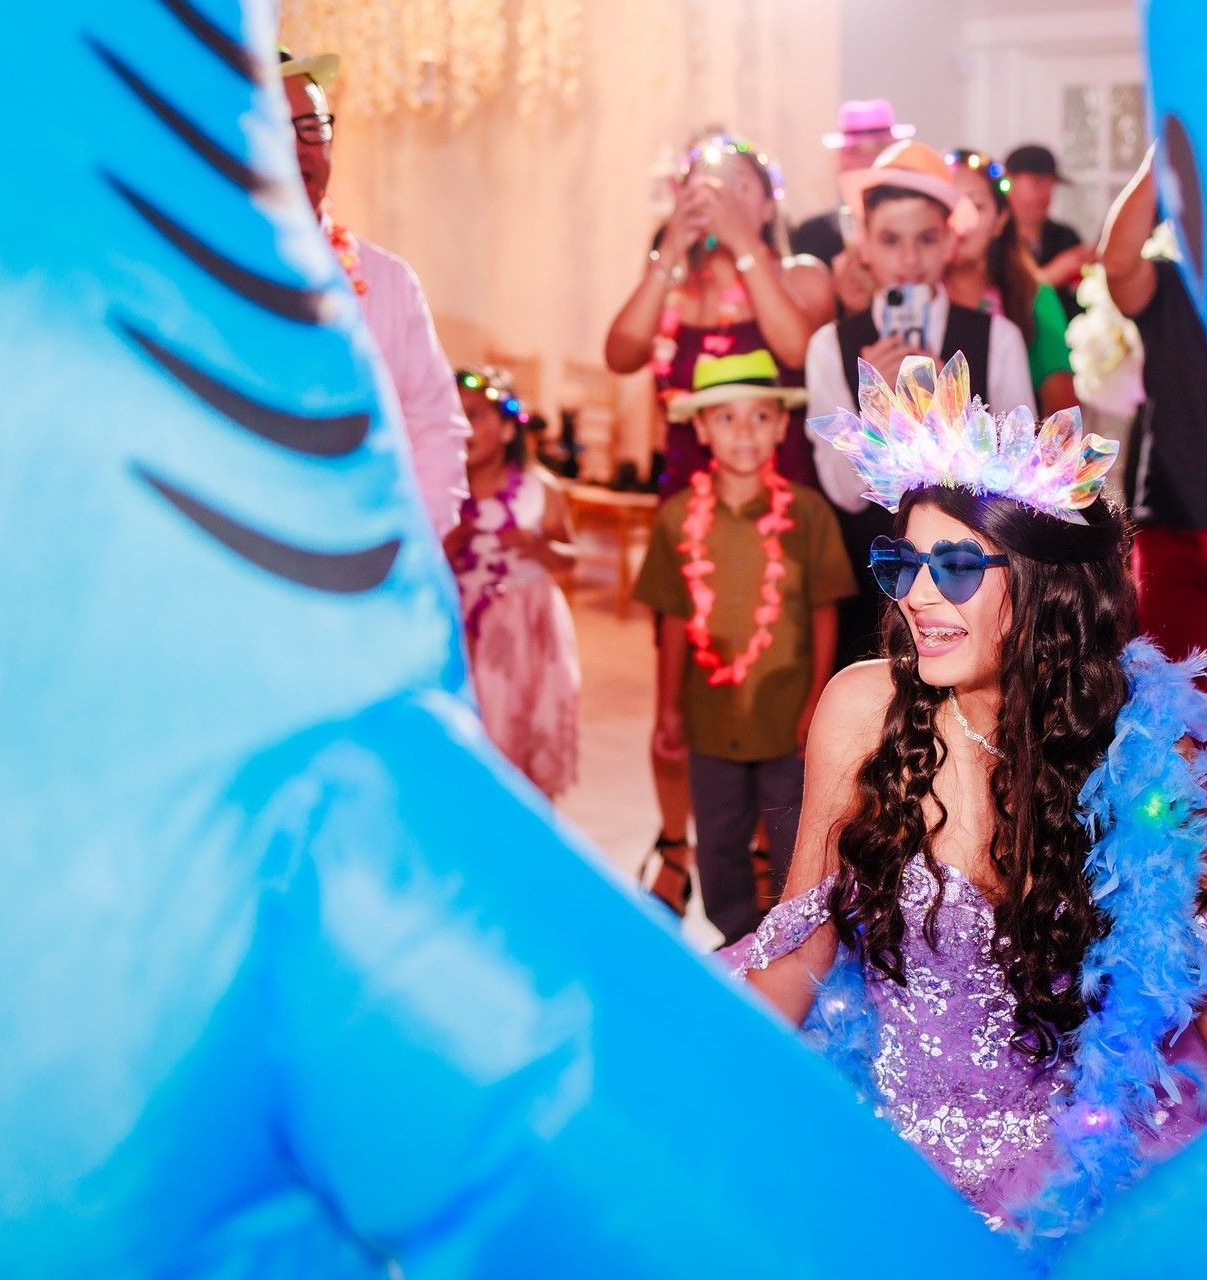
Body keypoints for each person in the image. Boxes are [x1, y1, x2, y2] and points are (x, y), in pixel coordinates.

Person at [731, 354, 1207, 1237]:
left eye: (954, 566)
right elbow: (801, 943)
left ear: (1044, 586)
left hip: (1068, 1176)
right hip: (879, 1152)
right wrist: (699, 1106)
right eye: (900, 562)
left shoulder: (1142, 743)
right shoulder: (862, 709)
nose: (916, 596)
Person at [633, 351, 856, 943]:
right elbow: (673, 619)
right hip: (710, 718)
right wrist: (668, 708)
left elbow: (824, 612)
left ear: (781, 426)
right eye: (726, 418)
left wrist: (815, 704)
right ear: (701, 429)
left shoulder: (808, 514)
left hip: (786, 719)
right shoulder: (677, 519)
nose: (744, 433)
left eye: (759, 417)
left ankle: (789, 944)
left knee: (793, 837)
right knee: (719, 838)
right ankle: (733, 937)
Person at [1097, 143, 1207, 850]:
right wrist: (1163, 147)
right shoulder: (1173, 290)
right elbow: (1117, 262)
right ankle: (1158, 877)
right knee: (1171, 721)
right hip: (1175, 524)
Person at [802, 140, 1036, 664]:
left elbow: (1016, 485)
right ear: (864, 243)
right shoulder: (830, 346)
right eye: (890, 240)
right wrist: (878, 411)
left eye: (926, 239)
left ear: (950, 240)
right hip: (867, 586)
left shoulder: (996, 338)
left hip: (968, 590)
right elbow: (845, 495)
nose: (908, 260)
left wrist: (943, 406)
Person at [280, 49, 469, 537]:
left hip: (366, 549)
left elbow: (435, 428)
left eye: (312, 127)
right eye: (277, 127)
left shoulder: (389, 282)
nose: (299, 148)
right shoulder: (201, 273)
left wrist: (412, 543)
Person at [605, 134, 832, 495]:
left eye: (741, 187)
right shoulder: (674, 290)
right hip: (686, 499)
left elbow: (796, 353)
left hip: (781, 500)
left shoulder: (801, 278)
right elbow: (620, 358)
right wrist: (670, 248)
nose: (725, 199)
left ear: (768, 208)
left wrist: (742, 241)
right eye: (710, 185)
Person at [443, 367, 581, 801]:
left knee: (514, 726)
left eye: (476, 415)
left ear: (507, 429)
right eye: (455, 412)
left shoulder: (538, 491)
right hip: (461, 624)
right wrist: (450, 544)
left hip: (523, 630)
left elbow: (570, 558)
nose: (463, 424)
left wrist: (540, 546)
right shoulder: (441, 489)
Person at [944, 148, 1078, 416]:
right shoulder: (914, 299)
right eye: (949, 206)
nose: (961, 222)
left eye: (976, 206)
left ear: (1000, 220)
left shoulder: (1032, 297)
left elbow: (1062, 418)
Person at [792, 99, 915, 315]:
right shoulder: (812, 235)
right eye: (856, 151)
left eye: (880, 148)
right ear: (840, 161)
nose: (869, 160)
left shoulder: (920, 227)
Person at [1003, 143, 1094, 302]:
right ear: (1008, 183)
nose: (1046, 194)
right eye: (1037, 183)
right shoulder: (996, 240)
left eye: (1051, 184)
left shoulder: (1066, 237)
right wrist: (1052, 276)